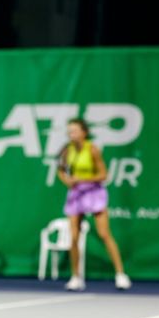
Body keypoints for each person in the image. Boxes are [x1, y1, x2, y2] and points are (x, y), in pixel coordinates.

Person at [57, 118, 131, 291]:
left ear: (84, 132)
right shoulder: (67, 151)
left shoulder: (93, 150)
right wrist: (67, 180)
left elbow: (104, 175)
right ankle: (76, 277)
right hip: (76, 194)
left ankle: (121, 275)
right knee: (73, 237)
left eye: (74, 131)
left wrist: (81, 179)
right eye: (69, 132)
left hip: (94, 192)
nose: (71, 134)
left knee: (104, 233)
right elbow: (60, 169)